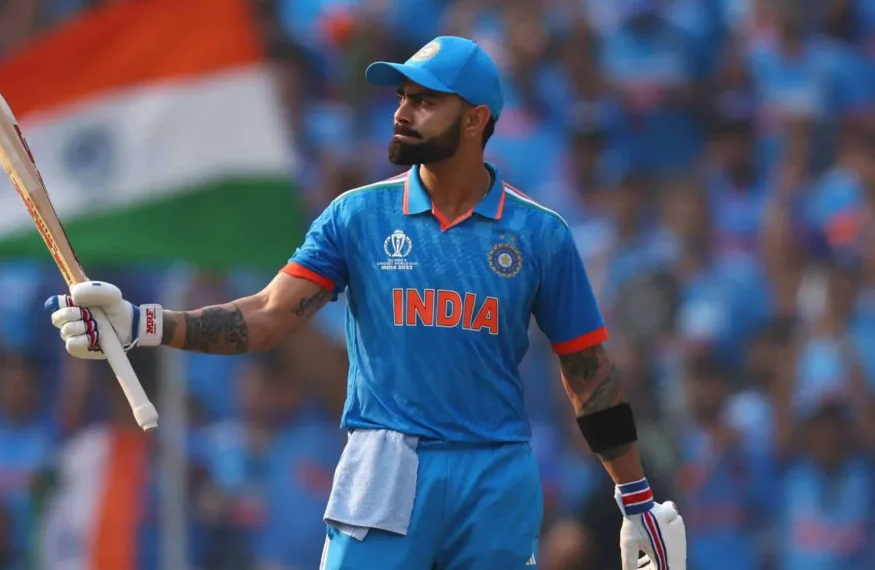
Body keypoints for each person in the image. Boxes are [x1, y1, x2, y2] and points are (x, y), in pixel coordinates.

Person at [44, 36, 686, 570]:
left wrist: (635, 496)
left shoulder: (540, 235)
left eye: (425, 100)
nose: (403, 111)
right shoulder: (357, 216)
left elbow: (588, 373)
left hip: (495, 474)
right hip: (387, 463)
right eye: (403, 96)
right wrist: (140, 324)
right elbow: (269, 315)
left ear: (474, 121)